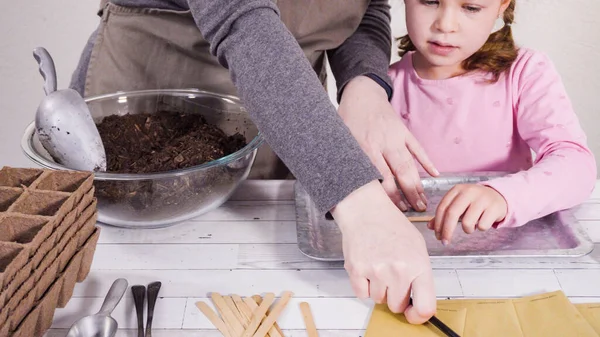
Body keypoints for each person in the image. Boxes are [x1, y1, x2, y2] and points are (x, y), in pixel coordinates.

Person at [70, 0, 440, 324]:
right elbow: (242, 21)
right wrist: (365, 210)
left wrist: (364, 86)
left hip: (291, 120)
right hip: (150, 108)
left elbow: (363, 8)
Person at [388, 0, 597, 245]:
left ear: (501, 6)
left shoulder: (525, 72)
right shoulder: (378, 88)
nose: (445, 25)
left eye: (471, 8)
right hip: (408, 252)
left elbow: (577, 165)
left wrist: (504, 196)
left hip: (507, 255)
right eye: (430, 1)